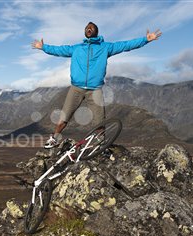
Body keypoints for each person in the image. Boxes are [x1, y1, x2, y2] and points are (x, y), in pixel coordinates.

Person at [32, 22, 162, 149]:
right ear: (85, 32)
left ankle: (101, 144)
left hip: (95, 90)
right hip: (76, 88)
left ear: (96, 32)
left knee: (99, 120)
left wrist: (145, 39)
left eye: (92, 28)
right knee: (65, 115)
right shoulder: (76, 48)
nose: (89, 29)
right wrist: (43, 47)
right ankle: (54, 138)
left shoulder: (105, 47)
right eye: (87, 28)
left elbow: (125, 45)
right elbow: (58, 50)